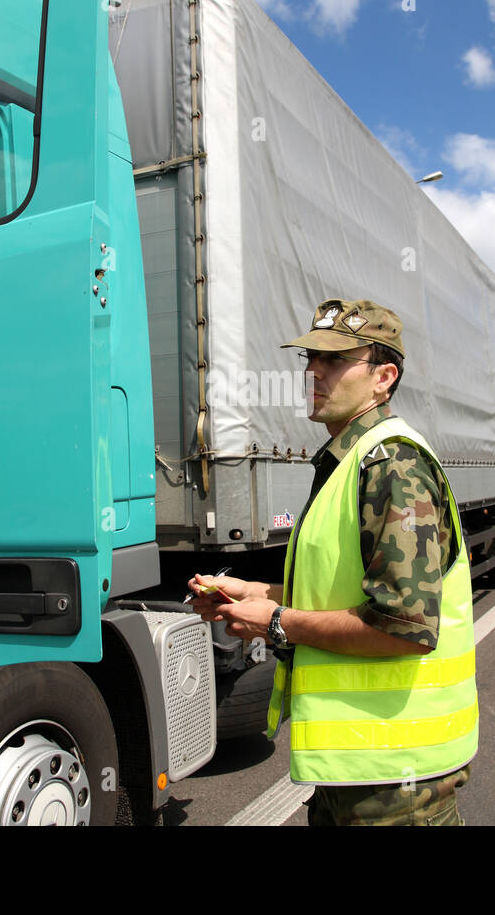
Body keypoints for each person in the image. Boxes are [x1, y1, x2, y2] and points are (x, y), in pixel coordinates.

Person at [188, 298, 478, 826]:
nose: (314, 371)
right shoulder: (350, 460)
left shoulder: (393, 465)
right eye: (310, 359)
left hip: (395, 785)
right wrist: (255, 594)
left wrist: (276, 623)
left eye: (336, 359)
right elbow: (341, 593)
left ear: (383, 377)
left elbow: (404, 627)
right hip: (355, 773)